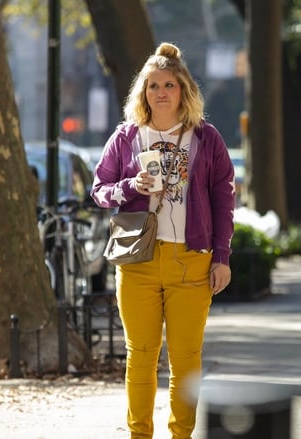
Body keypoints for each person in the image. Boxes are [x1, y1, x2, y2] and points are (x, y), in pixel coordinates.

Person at [90, 42, 235, 439]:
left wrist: (221, 256)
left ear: (183, 90)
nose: (161, 92)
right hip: (138, 260)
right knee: (140, 356)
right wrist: (128, 186)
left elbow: (225, 197)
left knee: (186, 358)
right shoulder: (126, 138)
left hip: (191, 259)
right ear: (143, 91)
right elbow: (99, 190)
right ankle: (140, 435)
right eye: (153, 85)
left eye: (169, 84)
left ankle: (181, 435)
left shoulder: (206, 139)